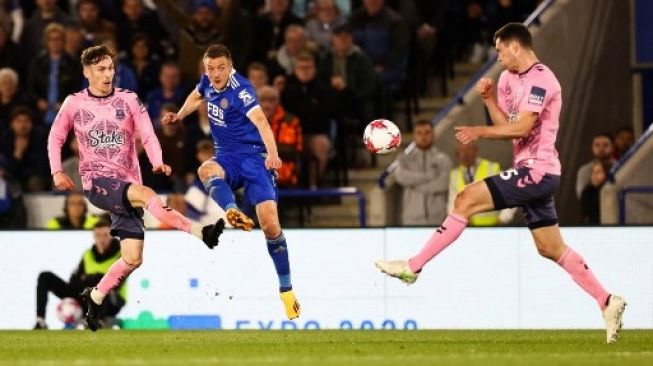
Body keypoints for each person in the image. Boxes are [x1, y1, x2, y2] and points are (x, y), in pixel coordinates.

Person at [375, 23, 626, 344]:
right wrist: (492, 100)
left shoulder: (543, 79)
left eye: (499, 50)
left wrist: (478, 131)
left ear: (515, 46)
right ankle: (606, 301)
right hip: (530, 170)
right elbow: (507, 126)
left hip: (539, 170)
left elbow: (522, 128)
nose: (498, 58)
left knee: (465, 198)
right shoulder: (507, 80)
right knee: (549, 248)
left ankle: (413, 266)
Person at [47, 44, 224, 331]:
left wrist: (157, 161)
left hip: (128, 181)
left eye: (111, 68)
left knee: (132, 258)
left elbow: (147, 132)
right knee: (147, 196)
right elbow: (55, 137)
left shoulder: (128, 99)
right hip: (97, 181)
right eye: (101, 69)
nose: (108, 74)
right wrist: (56, 170)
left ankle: (95, 295)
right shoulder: (74, 103)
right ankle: (200, 231)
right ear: (87, 72)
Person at [162, 44, 301, 320]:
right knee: (206, 169)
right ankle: (231, 210)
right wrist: (179, 115)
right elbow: (196, 94)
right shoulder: (208, 81)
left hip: (254, 159)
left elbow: (262, 121)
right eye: (210, 68)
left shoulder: (242, 90)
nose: (215, 74)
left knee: (270, 224)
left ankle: (287, 290)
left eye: (220, 68)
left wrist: (273, 155)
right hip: (227, 157)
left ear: (231, 66)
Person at [35, 220, 125, 330]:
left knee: (103, 283)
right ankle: (40, 320)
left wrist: (88, 278)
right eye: (98, 235)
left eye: (105, 235)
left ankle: (97, 320)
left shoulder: (120, 255)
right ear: (94, 236)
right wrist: (91, 279)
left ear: (112, 236)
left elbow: (116, 283)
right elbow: (73, 280)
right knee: (45, 276)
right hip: (86, 295)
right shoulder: (88, 254)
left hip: (112, 301)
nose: (101, 239)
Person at [394, 119, 451, 226]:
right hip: (411, 220)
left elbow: (442, 184)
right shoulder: (404, 159)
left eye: (427, 133)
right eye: (419, 133)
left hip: (437, 219)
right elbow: (401, 177)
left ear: (433, 135)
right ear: (414, 136)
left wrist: (414, 185)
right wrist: (429, 176)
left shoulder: (443, 159)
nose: (423, 137)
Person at [448, 141, 507, 226]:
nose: (466, 153)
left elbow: (512, 194)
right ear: (457, 154)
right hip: (466, 229)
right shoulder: (455, 175)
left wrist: (503, 219)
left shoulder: (492, 169)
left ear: (476, 150)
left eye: (469, 149)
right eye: (462, 150)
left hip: (493, 227)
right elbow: (452, 204)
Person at [575, 133, 615, 199]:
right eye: (597, 145)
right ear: (592, 147)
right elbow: (582, 197)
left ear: (613, 147)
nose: (601, 148)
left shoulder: (622, 166)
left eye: (605, 145)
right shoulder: (584, 170)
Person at [580, 160, 612, 225]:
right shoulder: (587, 192)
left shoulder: (611, 192)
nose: (594, 175)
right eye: (593, 172)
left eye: (599, 172)